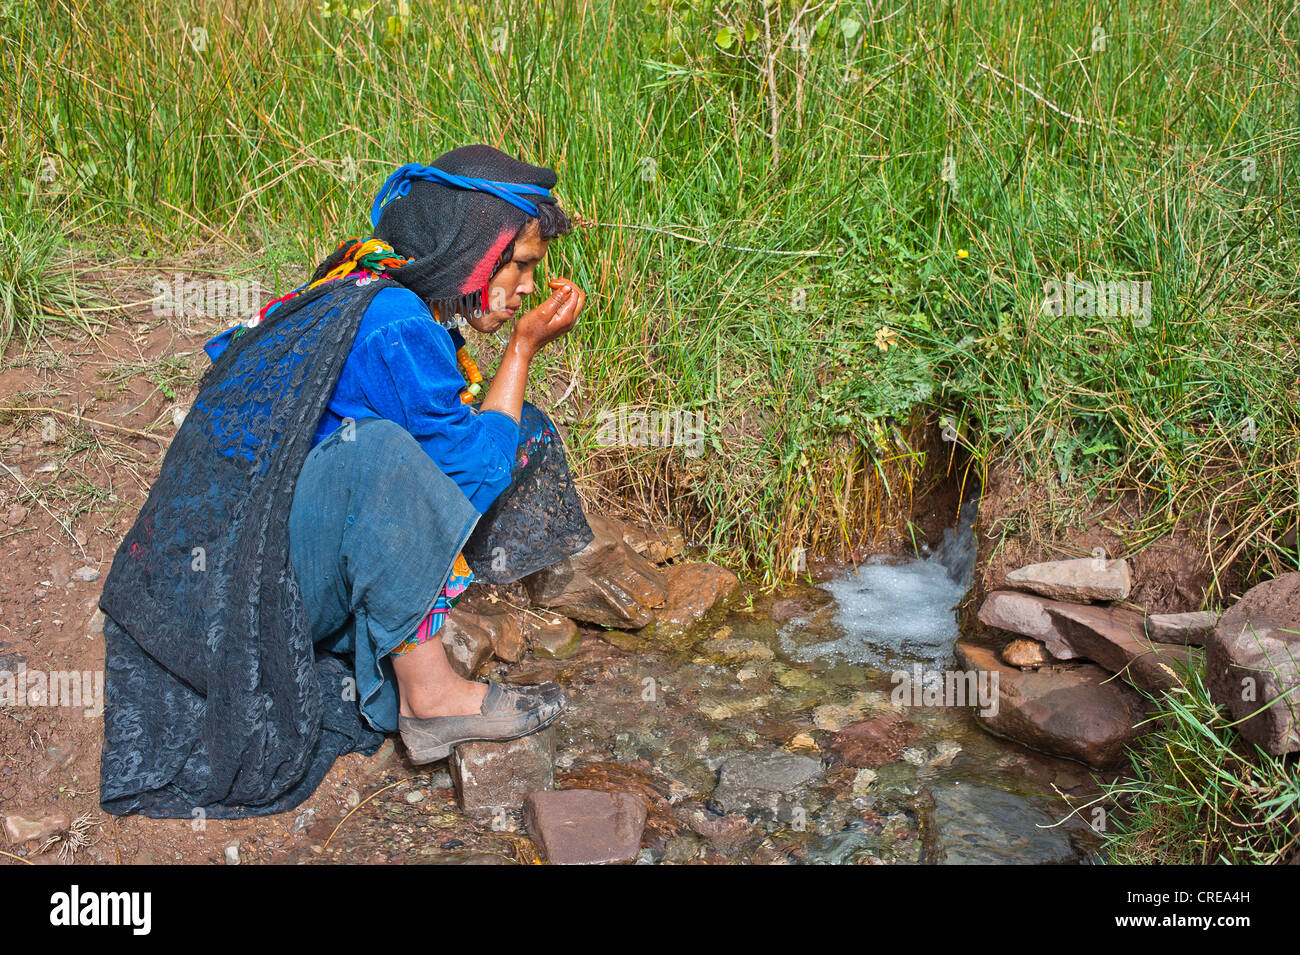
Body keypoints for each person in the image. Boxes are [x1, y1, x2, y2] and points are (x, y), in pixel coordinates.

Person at [98, 145, 592, 818]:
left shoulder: (373, 282)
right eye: (524, 264)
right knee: (383, 453)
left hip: (259, 557)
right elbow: (465, 468)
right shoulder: (396, 324)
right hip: (257, 596)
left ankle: (423, 613)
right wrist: (522, 349)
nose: (529, 287)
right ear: (475, 248)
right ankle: (430, 697)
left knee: (506, 425)